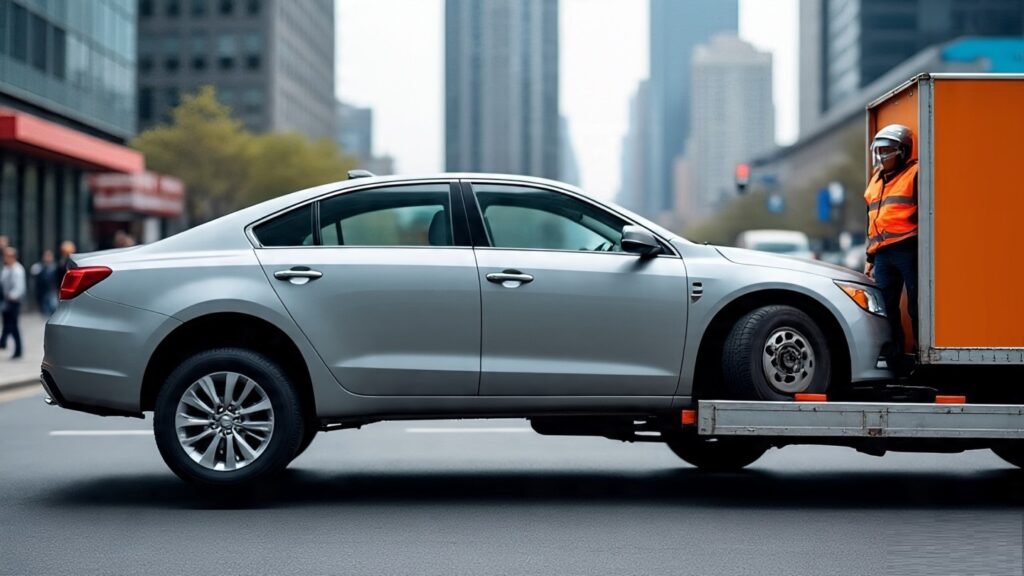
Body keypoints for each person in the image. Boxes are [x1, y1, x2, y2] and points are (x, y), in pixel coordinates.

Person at [863, 124, 918, 374]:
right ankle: (895, 359)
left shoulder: (915, 173)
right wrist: (870, 256)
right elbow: (872, 219)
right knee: (884, 306)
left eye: (887, 151)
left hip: (909, 248)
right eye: (879, 150)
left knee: (916, 305)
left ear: (903, 152)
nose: (882, 156)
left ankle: (922, 355)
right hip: (883, 253)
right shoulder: (876, 179)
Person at [1, 246, 26, 359]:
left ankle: (14, 348)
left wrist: (11, 296)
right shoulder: (6, 269)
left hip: (14, 302)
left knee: (13, 326)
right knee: (8, 324)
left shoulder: (18, 270)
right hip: (6, 301)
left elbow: (19, 288)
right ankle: (3, 342)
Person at [30, 249, 58, 316]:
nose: (47, 258)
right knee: (44, 312)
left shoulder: (55, 268)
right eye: (46, 256)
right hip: (42, 293)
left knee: (53, 309)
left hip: (52, 292)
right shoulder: (38, 268)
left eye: (49, 256)